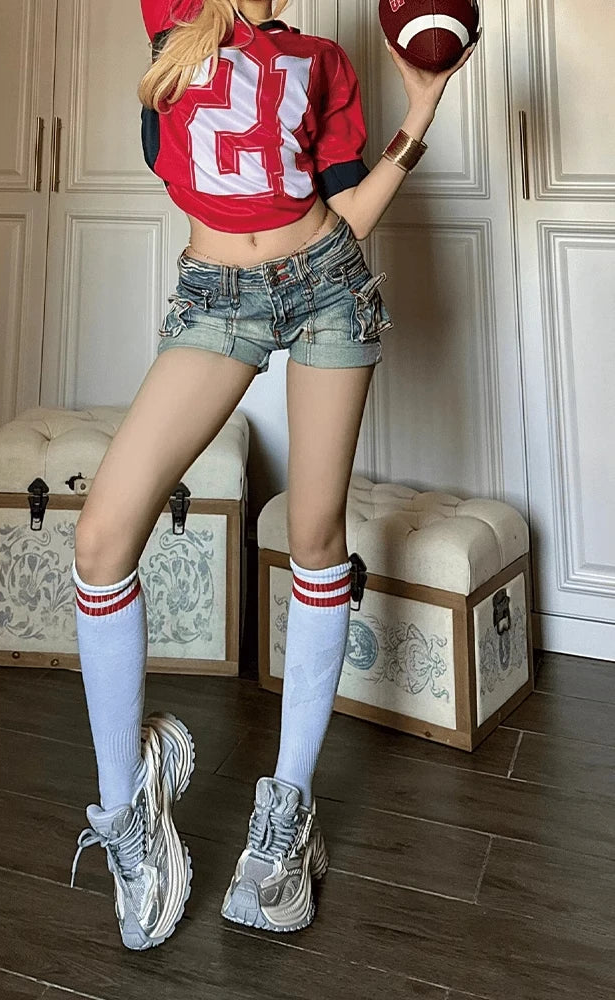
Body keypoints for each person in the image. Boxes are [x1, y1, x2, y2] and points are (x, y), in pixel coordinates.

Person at [68, 0, 478, 951]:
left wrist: (420, 112)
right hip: (217, 299)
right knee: (100, 540)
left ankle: (288, 815)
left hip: (330, 285)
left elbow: (348, 214)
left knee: (314, 536)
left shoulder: (324, 61)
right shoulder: (179, 21)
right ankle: (128, 815)